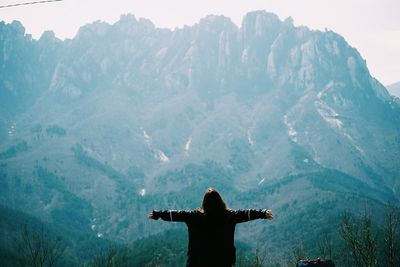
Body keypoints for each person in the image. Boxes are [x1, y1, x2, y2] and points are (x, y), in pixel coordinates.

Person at [148, 188, 274, 267]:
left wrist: (158, 214)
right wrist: (262, 213)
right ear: (220, 201)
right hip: (222, 261)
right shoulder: (228, 216)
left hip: (197, 261)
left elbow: (175, 214)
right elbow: (246, 214)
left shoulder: (194, 216)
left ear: (204, 202)